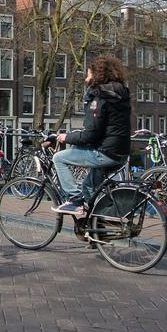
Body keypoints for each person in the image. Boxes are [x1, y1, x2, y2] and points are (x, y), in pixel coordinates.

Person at [49, 55, 132, 218]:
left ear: (97, 75)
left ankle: (75, 200)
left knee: (59, 158)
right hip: (120, 153)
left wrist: (66, 137)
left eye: (88, 75)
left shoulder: (99, 98)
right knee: (88, 187)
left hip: (106, 153)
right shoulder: (118, 93)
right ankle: (93, 231)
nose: (86, 79)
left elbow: (90, 135)